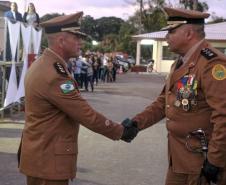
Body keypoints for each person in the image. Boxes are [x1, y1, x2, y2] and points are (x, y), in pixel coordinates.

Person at [17, 12, 138, 185]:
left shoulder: (44, 64)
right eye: (76, 37)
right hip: (48, 162)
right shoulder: (54, 74)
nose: (80, 42)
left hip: (41, 157)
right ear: (61, 41)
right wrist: (119, 131)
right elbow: (84, 113)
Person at [124, 7, 226, 185]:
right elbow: (164, 102)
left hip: (201, 160)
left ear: (188, 33)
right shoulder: (180, 62)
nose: (166, 37)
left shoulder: (212, 64)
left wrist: (215, 159)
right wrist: (136, 123)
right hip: (179, 157)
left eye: (171, 31)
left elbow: (223, 115)